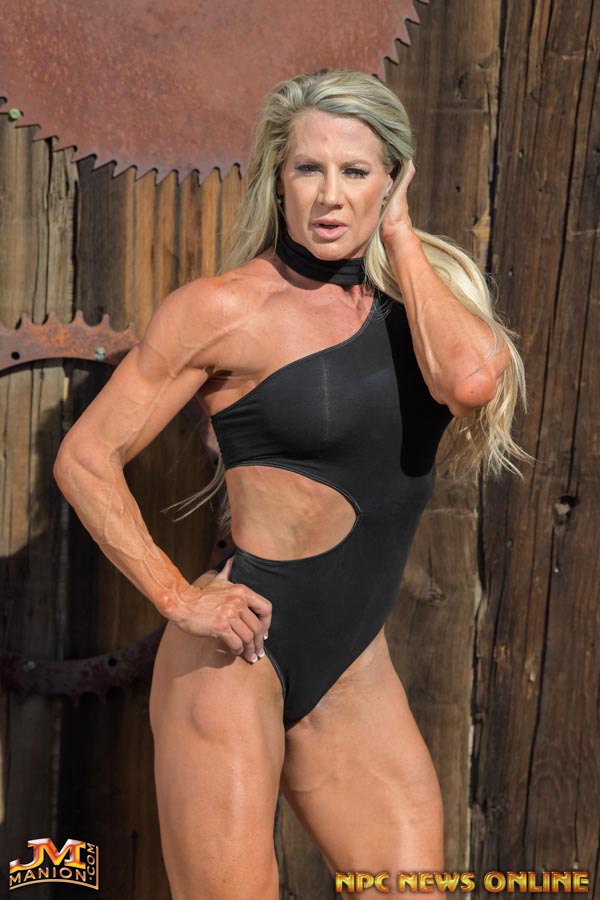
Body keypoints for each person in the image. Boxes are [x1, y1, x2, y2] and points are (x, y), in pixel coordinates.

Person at [54, 69, 529, 900]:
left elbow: (470, 382)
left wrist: (402, 237)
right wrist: (177, 596)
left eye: (356, 171)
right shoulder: (223, 310)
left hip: (353, 664)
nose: (329, 196)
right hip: (236, 657)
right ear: (278, 179)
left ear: (393, 179)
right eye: (308, 168)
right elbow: (84, 458)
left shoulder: (418, 305)